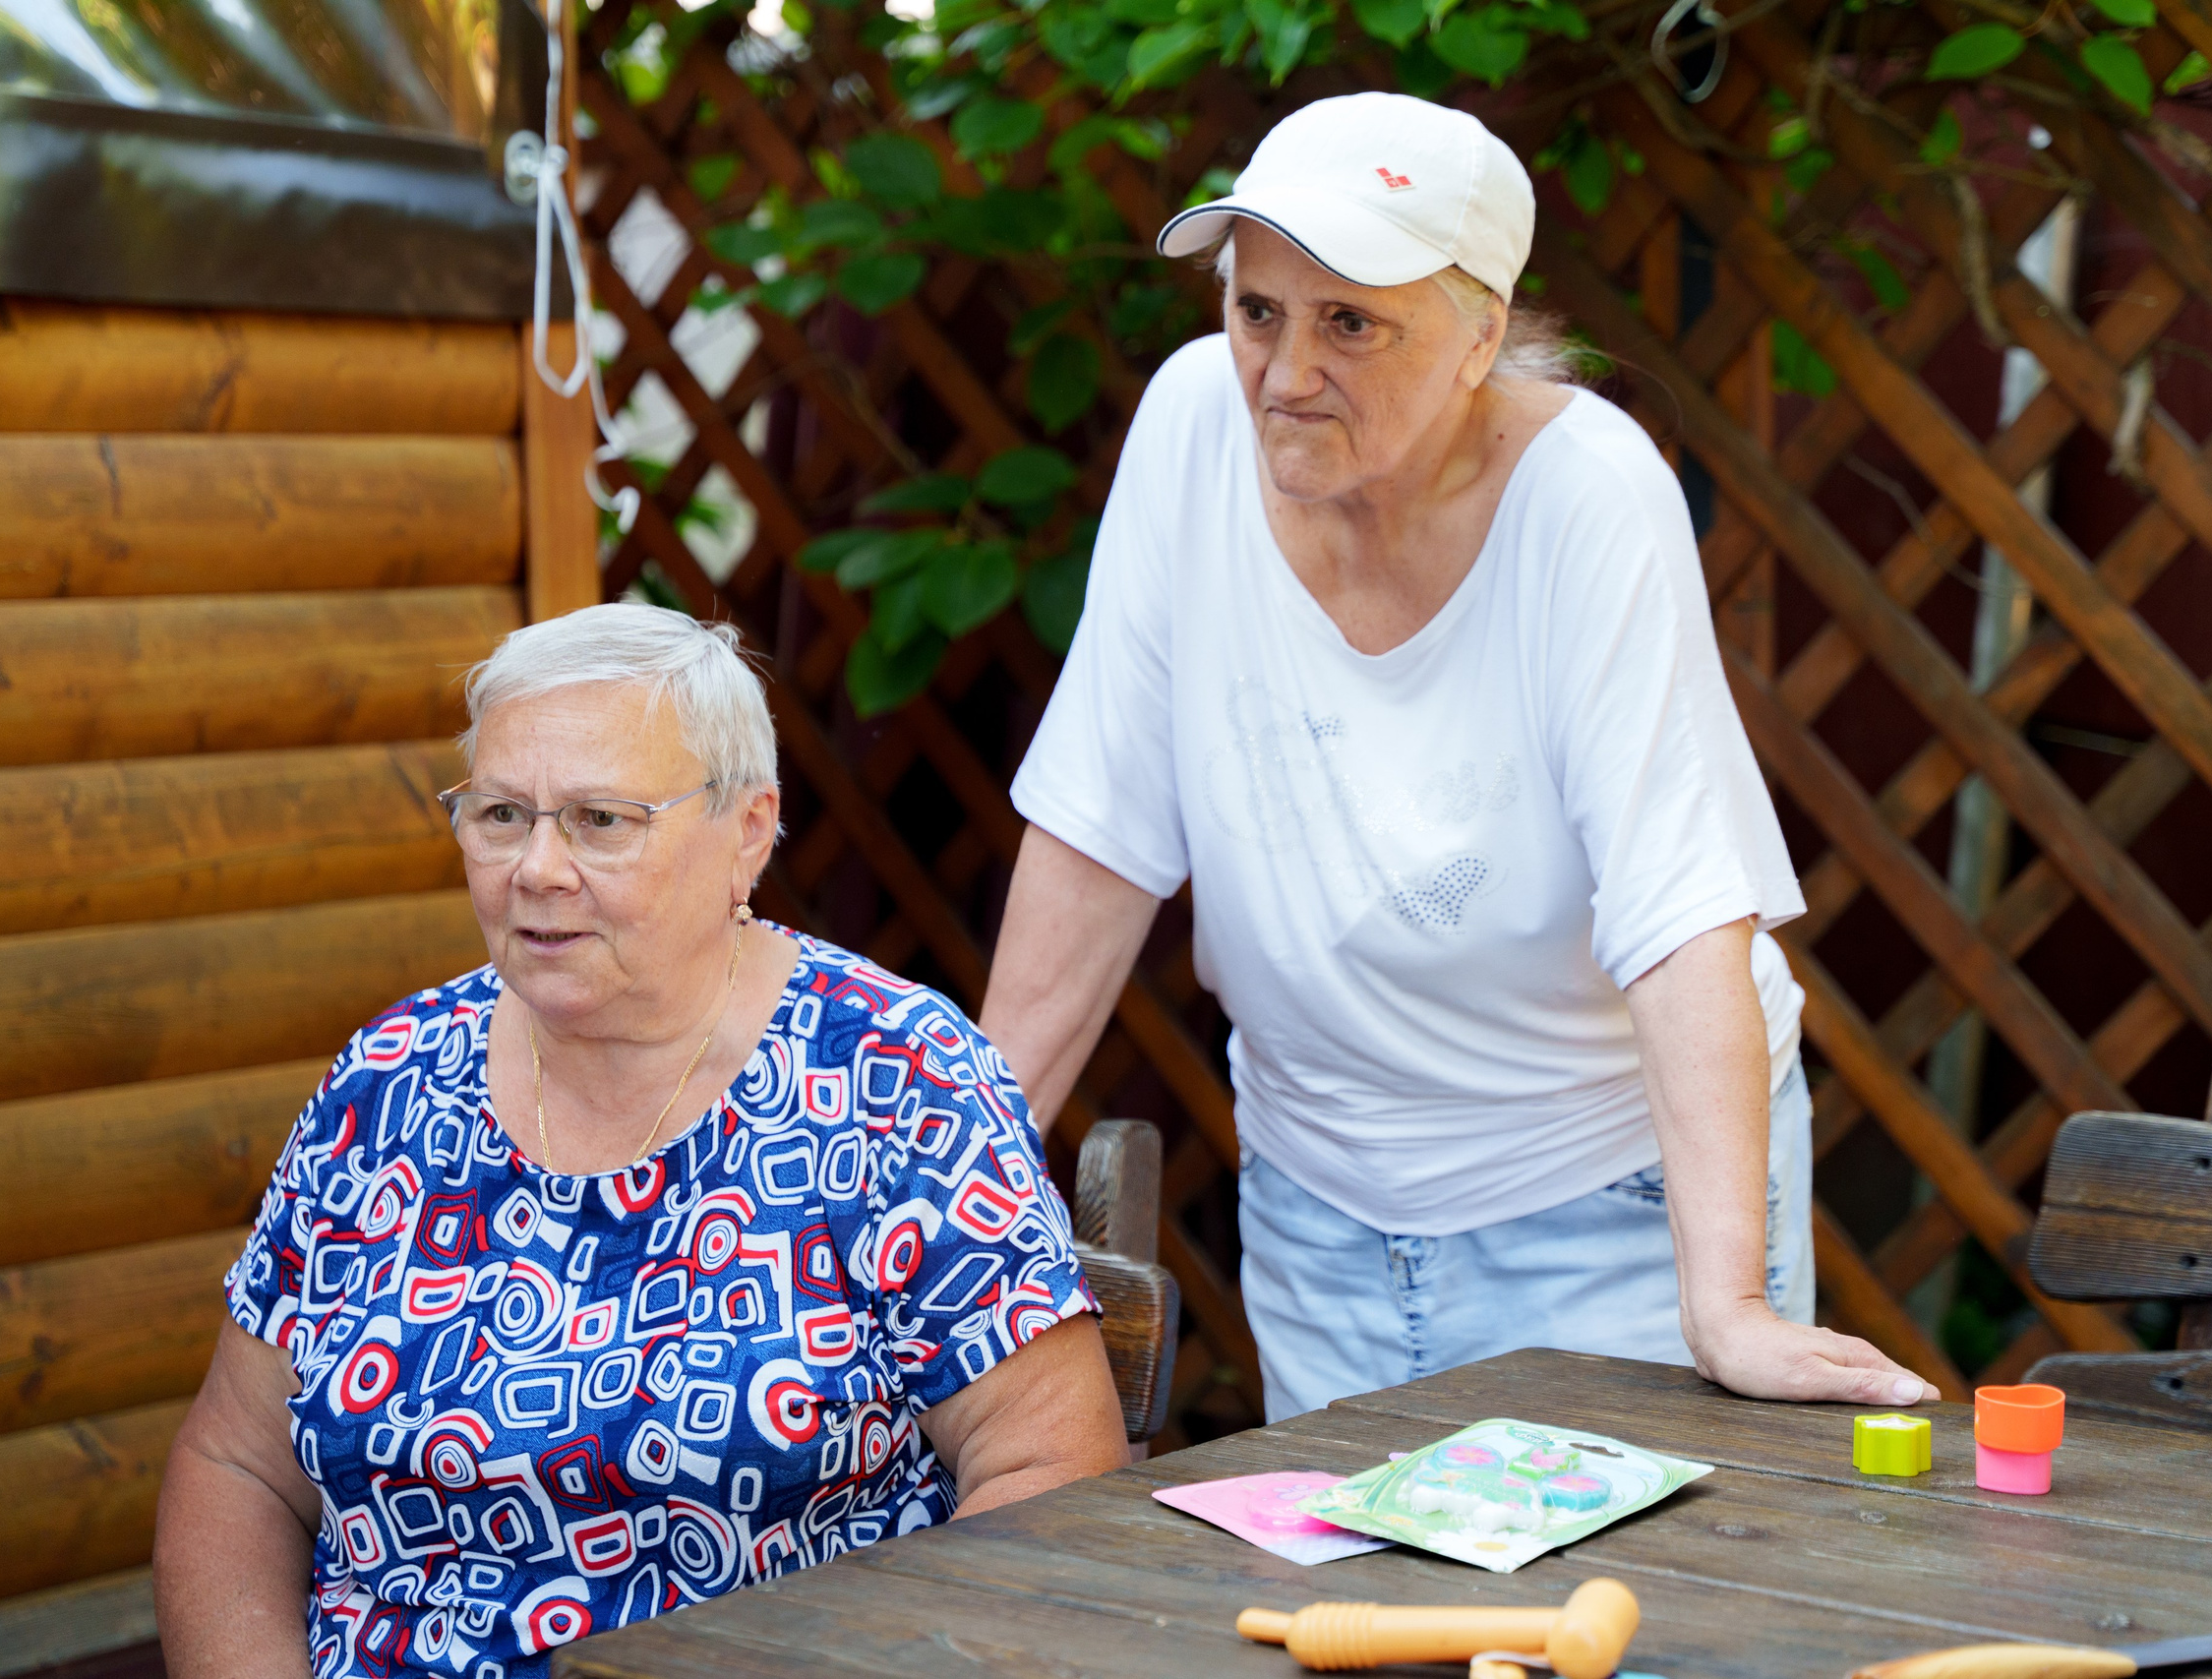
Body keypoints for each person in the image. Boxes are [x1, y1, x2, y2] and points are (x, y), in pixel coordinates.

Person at [980, 91, 1932, 1422]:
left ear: (1482, 334)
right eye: (1258, 310)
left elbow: (1680, 914)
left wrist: (1725, 1305)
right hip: (1316, 1202)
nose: (1284, 372)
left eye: (1350, 323)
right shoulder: (1194, 424)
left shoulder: (1588, 498)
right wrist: (960, 1167)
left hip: (1607, 1207)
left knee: (1620, 1630)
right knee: (1361, 1618)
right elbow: (1100, 824)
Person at [154, 605, 1126, 1679]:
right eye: (499, 814)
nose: (536, 868)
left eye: (600, 820)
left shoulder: (896, 1082)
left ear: (747, 831)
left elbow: (1048, 1468)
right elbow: (238, 1467)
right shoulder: (385, 1083)